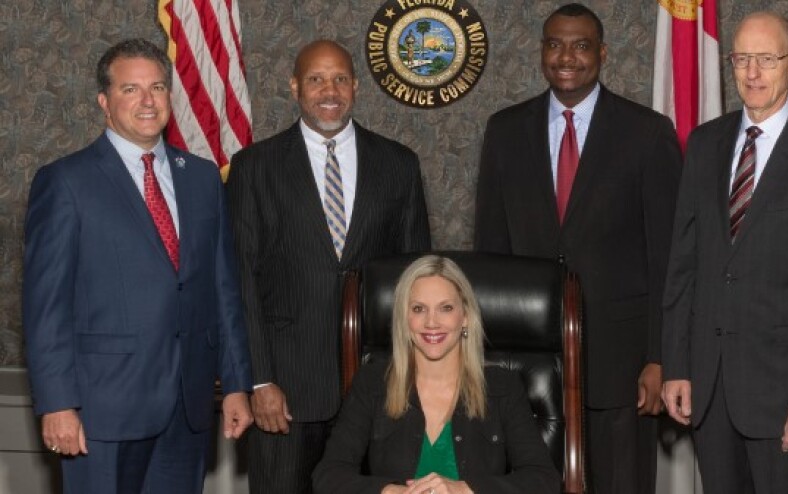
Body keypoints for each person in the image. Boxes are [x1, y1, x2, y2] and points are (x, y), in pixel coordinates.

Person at [22, 38, 253, 494]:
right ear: (104, 102)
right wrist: (57, 404)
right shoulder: (66, 182)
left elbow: (223, 289)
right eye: (131, 89)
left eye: (158, 87)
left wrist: (237, 383)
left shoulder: (203, 178)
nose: (147, 101)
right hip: (101, 409)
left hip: (187, 406)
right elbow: (45, 306)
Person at [473, 4, 682, 493]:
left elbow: (669, 261)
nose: (567, 56)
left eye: (581, 45)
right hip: (529, 364)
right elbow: (491, 258)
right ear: (542, 52)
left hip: (623, 365)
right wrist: (487, 363)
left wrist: (660, 357)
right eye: (554, 44)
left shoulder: (648, 134)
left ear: (603, 53)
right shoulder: (505, 131)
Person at [661, 11, 788, 494]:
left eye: (766, 60)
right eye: (742, 59)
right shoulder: (705, 145)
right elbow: (683, 266)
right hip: (710, 391)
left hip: (787, 399)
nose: (752, 73)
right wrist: (678, 365)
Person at [226, 39, 431, 493]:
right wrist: (258, 380)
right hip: (286, 388)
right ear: (295, 86)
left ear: (356, 86)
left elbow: (420, 285)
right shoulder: (254, 167)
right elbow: (239, 281)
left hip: (381, 387)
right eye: (316, 79)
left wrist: (419, 378)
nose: (329, 90)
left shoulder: (399, 164)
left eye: (340, 78)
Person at [312, 255, 560, 493]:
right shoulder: (372, 383)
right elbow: (328, 476)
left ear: (465, 317)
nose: (432, 322)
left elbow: (543, 480)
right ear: (404, 318)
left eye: (446, 308)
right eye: (419, 309)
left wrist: (464, 490)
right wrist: (391, 492)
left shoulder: (501, 388)